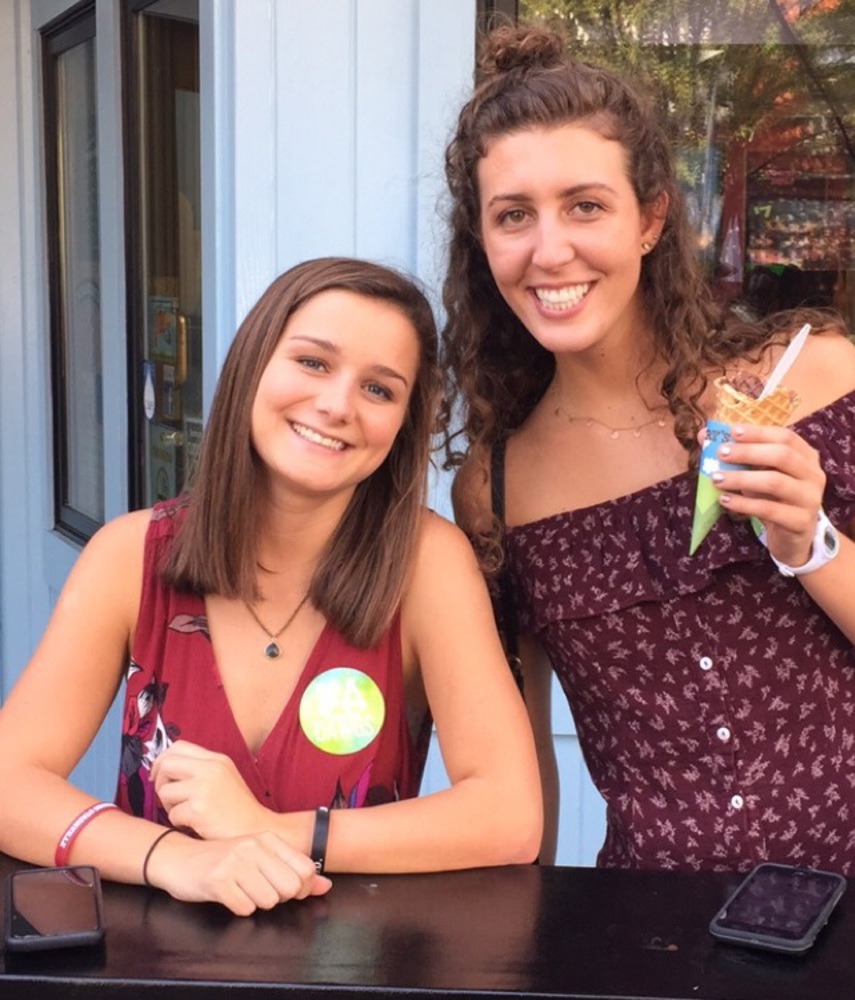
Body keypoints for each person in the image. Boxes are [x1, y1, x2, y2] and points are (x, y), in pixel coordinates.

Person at [439, 25, 855, 880]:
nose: (550, 250)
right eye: (514, 216)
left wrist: (812, 544)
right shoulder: (495, 485)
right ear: (484, 241)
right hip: (661, 932)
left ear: (651, 218)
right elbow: (525, 769)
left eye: (586, 205)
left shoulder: (802, 379)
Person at [0, 257, 542, 915]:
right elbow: (10, 780)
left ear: (404, 423)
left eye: (379, 389)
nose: (337, 405)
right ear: (253, 364)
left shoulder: (426, 564)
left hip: (353, 975)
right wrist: (177, 858)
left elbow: (509, 816)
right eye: (313, 363)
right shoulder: (130, 557)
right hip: (154, 972)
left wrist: (272, 829)